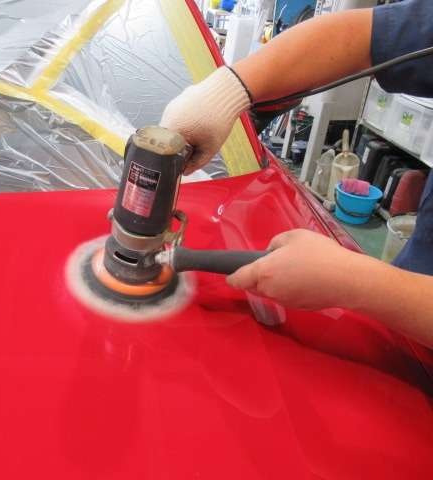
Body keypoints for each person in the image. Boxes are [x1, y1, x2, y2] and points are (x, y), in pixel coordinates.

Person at [160, 0, 433, 347]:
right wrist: (224, 93)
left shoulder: (360, 286)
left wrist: (356, 283)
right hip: (399, 322)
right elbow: (363, 37)